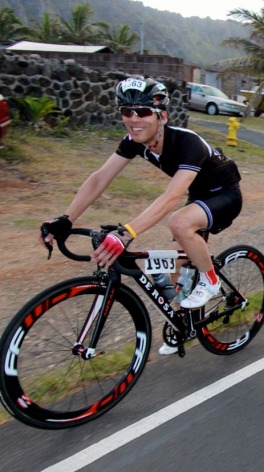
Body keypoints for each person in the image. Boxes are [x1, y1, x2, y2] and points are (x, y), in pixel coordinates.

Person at [39, 77, 243, 355]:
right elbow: (100, 179)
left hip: (225, 194)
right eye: (127, 111)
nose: (134, 119)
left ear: (162, 116)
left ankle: (211, 279)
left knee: (179, 221)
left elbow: (171, 196)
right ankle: (183, 327)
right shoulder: (134, 141)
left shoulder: (187, 143)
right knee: (174, 274)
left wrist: (126, 233)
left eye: (144, 112)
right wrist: (66, 218)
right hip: (196, 195)